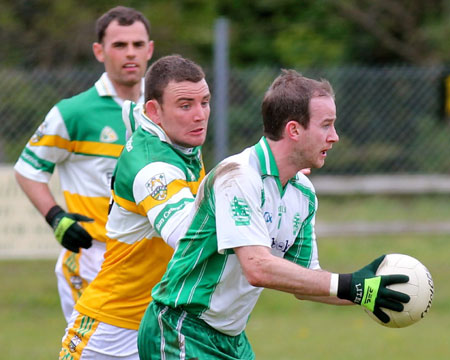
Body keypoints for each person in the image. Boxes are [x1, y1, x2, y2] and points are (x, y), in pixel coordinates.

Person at [137, 69, 411, 360]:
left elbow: (307, 283)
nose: (335, 137)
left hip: (231, 340)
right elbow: (258, 267)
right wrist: (346, 284)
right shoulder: (238, 176)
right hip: (181, 329)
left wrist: (365, 292)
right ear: (294, 130)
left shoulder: (303, 193)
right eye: (326, 125)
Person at [59, 54, 211, 359]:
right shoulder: (153, 167)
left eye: (205, 102)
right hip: (109, 333)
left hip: (159, 328)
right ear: (154, 111)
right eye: (186, 105)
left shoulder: (180, 142)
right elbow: (188, 237)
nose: (200, 115)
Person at [14, 6, 154, 323]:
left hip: (151, 258)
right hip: (93, 257)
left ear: (150, 49)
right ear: (99, 51)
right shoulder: (73, 112)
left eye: (137, 44)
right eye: (119, 45)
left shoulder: (162, 108)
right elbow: (28, 170)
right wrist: (56, 217)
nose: (130, 53)